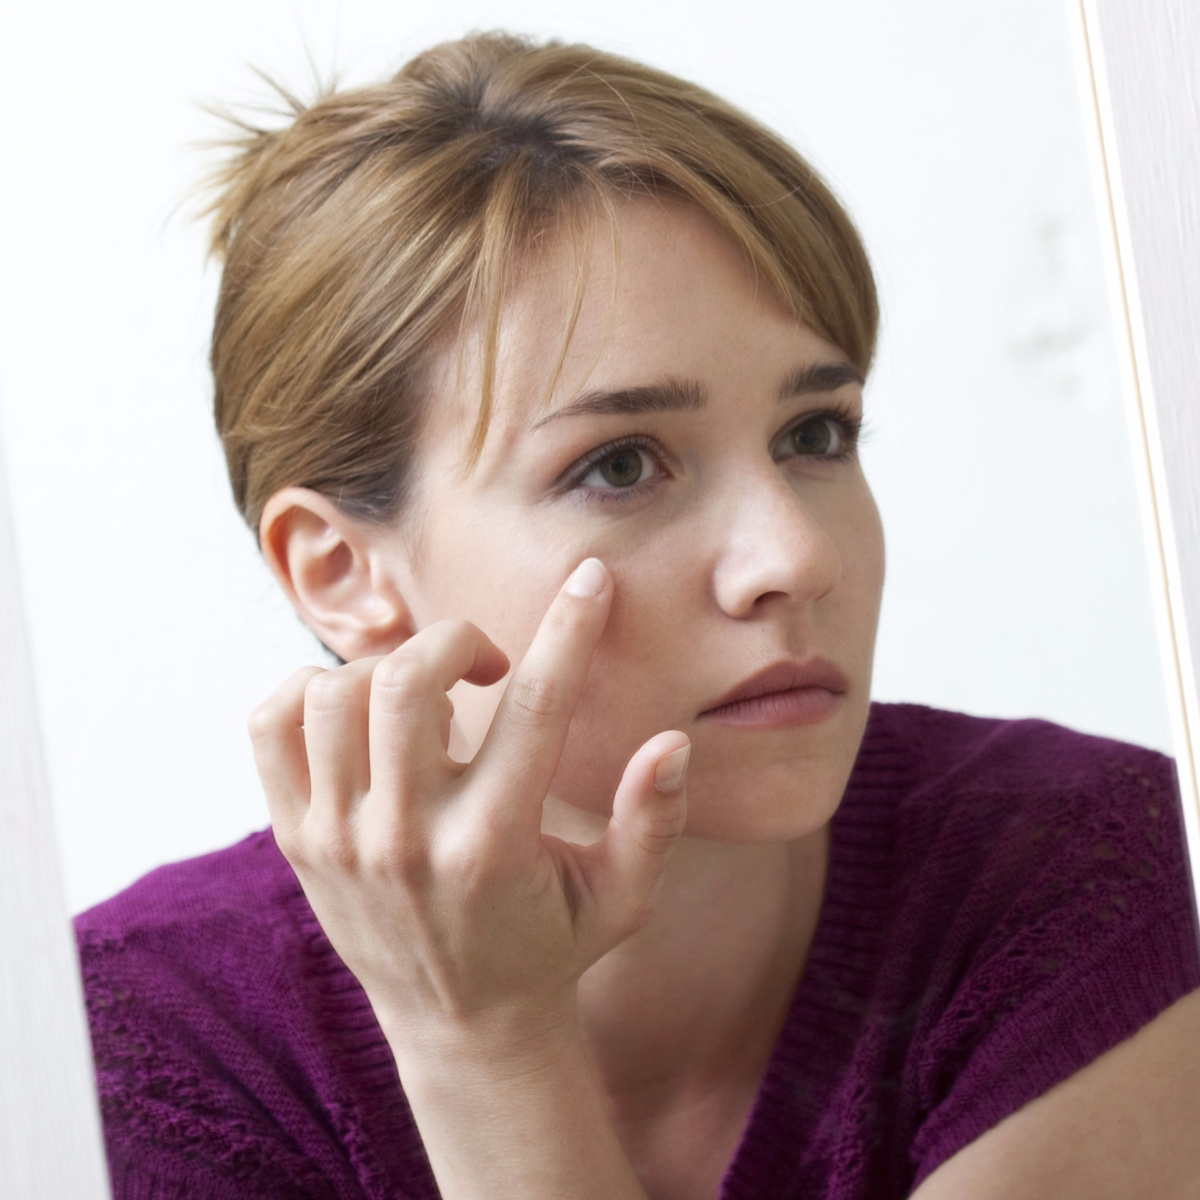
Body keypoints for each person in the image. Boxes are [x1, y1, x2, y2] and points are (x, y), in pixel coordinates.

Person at [74, 31, 1200, 1200]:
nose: (794, 555)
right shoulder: (141, 1046)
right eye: (620, 464)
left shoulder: (1082, 869)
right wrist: (481, 1038)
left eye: (815, 433)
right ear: (343, 572)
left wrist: (494, 1049)